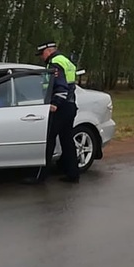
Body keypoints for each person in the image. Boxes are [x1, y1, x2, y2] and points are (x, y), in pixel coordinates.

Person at [38, 40, 81, 183]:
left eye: (42, 54)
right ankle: (73, 174)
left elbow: (61, 87)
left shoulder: (54, 63)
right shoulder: (66, 61)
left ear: (48, 51)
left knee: (49, 139)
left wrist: (55, 103)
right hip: (70, 105)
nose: (41, 57)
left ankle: (41, 176)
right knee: (67, 140)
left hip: (60, 107)